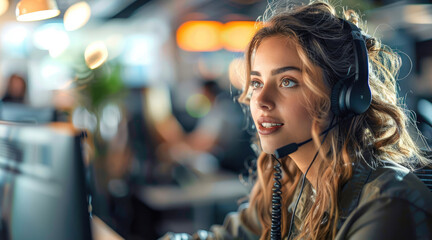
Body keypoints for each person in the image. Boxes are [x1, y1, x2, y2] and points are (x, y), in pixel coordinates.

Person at [161, 0, 432, 239]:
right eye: (256, 82)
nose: (260, 100)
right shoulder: (292, 186)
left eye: (287, 81)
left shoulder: (389, 202)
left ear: (346, 96)